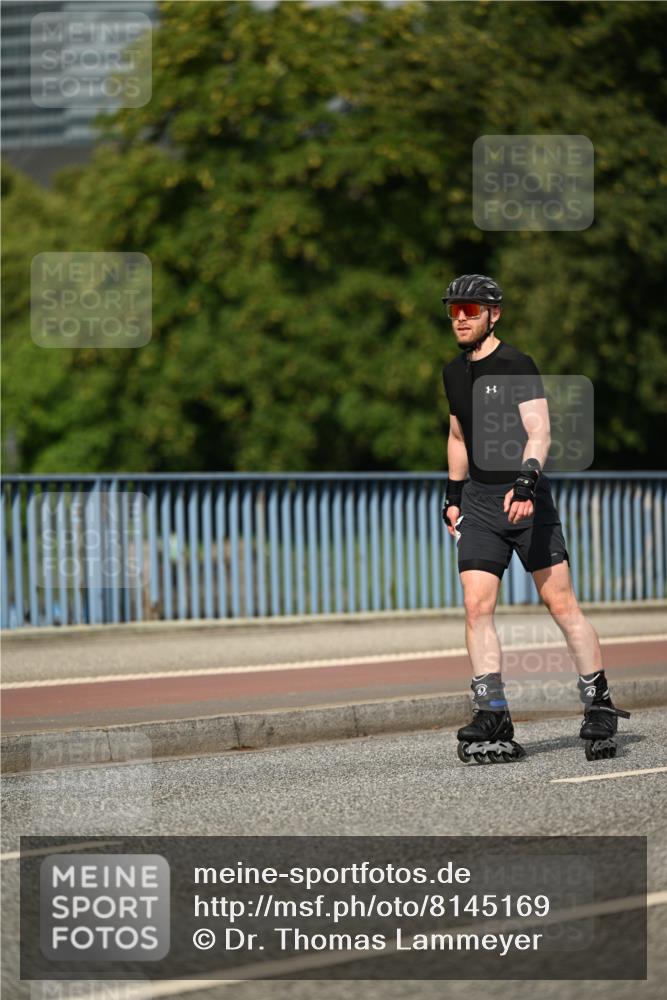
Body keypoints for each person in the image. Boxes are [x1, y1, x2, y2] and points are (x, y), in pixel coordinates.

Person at [440, 274, 630, 764]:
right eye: (454, 310)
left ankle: (598, 703)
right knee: (476, 605)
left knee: (560, 602)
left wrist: (526, 483)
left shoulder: (516, 364)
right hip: (480, 502)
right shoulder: (452, 372)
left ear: (493, 314)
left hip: (527, 499)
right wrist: (452, 494)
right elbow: (458, 436)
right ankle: (492, 711)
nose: (461, 318)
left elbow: (539, 431)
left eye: (471, 310)